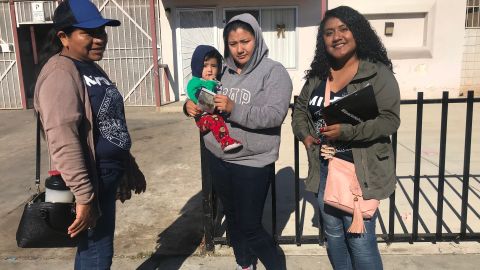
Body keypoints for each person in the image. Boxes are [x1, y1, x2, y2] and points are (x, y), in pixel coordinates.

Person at [33, 0, 146, 269]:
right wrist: (84, 196)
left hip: (105, 178)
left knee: (92, 250)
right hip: (89, 181)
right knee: (97, 252)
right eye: (89, 33)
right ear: (64, 37)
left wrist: (129, 165)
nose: (99, 39)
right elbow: (62, 138)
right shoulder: (61, 72)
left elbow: (109, 122)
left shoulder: (90, 67)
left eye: (102, 32)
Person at [292, 6, 400, 270]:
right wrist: (306, 139)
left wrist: (348, 132)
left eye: (343, 29)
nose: (336, 36)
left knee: (360, 240)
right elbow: (300, 111)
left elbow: (389, 119)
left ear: (357, 32)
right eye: (329, 33)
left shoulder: (377, 74)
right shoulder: (319, 75)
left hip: (360, 170)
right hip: (324, 169)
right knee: (334, 236)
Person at [185, 13, 292, 270]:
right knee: (233, 219)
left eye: (245, 41)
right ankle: (245, 264)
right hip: (218, 157)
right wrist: (189, 106)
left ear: (256, 38)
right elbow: (204, 98)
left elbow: (274, 114)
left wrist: (235, 108)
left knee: (250, 226)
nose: (239, 49)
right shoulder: (223, 72)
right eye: (233, 44)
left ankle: (276, 265)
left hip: (252, 162)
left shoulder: (273, 72)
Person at [186, 45, 242, 152]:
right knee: (215, 120)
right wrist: (211, 84)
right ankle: (225, 142)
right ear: (197, 66)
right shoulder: (195, 82)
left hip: (214, 114)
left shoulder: (217, 81)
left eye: (214, 66)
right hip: (203, 118)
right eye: (205, 66)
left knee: (217, 118)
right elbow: (203, 100)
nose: (210, 70)